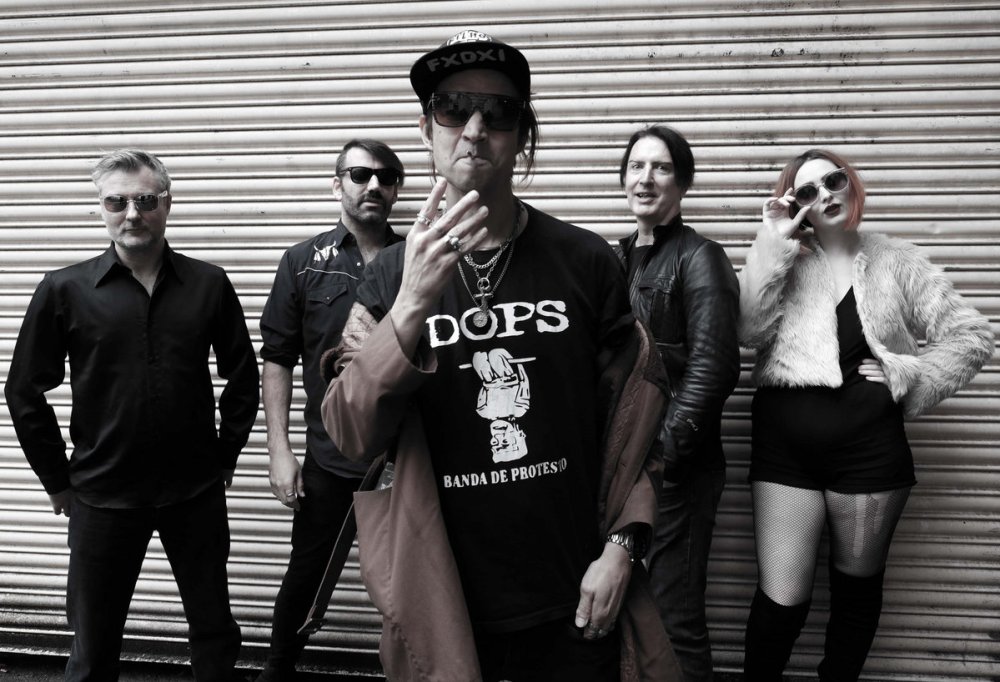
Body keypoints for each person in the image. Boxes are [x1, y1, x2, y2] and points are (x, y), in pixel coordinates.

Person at [319, 29, 681, 681]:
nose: (475, 128)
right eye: (453, 108)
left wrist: (624, 547)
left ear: (523, 135)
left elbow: (636, 428)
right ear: (426, 127)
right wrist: (410, 305)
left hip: (575, 596)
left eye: (500, 112)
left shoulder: (586, 261)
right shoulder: (387, 277)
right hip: (447, 603)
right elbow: (349, 433)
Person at [4, 149, 260, 681]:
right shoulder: (64, 289)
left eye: (145, 200)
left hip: (194, 491)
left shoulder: (209, 284)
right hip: (102, 495)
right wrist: (56, 479)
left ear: (167, 203)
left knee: (214, 630)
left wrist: (226, 455)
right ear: (100, 208)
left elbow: (242, 377)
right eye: (116, 202)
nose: (132, 213)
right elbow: (24, 390)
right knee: (93, 645)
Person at [737, 149, 993, 681]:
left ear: (850, 184)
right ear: (797, 205)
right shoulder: (785, 258)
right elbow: (748, 330)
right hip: (785, 454)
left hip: (870, 455)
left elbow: (971, 336)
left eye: (834, 180)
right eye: (808, 191)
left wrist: (911, 377)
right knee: (781, 601)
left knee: (855, 595)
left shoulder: (897, 260)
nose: (825, 195)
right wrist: (773, 240)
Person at [255, 139, 405, 681]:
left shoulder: (418, 258)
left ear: (397, 190)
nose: (373, 185)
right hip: (330, 455)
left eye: (386, 177)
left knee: (411, 581)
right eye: (360, 174)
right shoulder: (301, 263)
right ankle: (277, 671)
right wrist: (279, 451)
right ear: (336, 183)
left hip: (406, 458)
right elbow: (277, 357)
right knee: (307, 574)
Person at [615, 125, 740, 681]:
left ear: (682, 183)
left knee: (674, 615)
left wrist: (661, 457)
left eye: (661, 167)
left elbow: (715, 368)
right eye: (636, 166)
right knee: (626, 608)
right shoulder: (614, 257)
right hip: (622, 466)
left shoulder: (701, 257)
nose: (645, 179)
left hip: (675, 468)